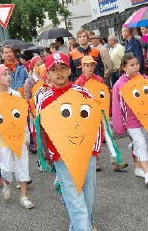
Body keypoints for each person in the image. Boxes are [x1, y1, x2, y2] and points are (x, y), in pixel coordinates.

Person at [36, 53, 100, 230]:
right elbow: (42, 130)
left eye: (63, 68)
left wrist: (94, 149)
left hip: (87, 152)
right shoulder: (44, 100)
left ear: (70, 70)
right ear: (47, 74)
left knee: (87, 196)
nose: (59, 73)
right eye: (54, 70)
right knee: (74, 198)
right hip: (62, 156)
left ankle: (81, 225)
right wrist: (50, 155)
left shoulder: (83, 92)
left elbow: (95, 119)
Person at [0, 64, 34, 208]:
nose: (8, 77)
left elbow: (22, 117)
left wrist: (26, 136)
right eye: (4, 74)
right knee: (6, 168)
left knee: (23, 166)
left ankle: (24, 197)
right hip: (2, 138)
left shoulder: (16, 95)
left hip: (18, 136)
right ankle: (6, 184)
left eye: (9, 74)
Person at [75, 55, 128, 172]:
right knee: (92, 138)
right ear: (82, 67)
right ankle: (95, 163)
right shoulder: (79, 83)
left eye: (92, 65)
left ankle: (117, 161)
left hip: (101, 113)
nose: (90, 68)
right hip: (88, 116)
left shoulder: (99, 79)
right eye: (87, 65)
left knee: (109, 136)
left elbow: (104, 95)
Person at [112, 54, 148, 186]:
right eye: (132, 65)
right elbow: (116, 106)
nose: (136, 66)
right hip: (130, 122)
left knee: (140, 143)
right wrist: (118, 125)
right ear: (124, 67)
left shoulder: (144, 78)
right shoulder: (119, 85)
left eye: (137, 63)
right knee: (141, 144)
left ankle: (138, 168)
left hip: (144, 119)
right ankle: (147, 173)